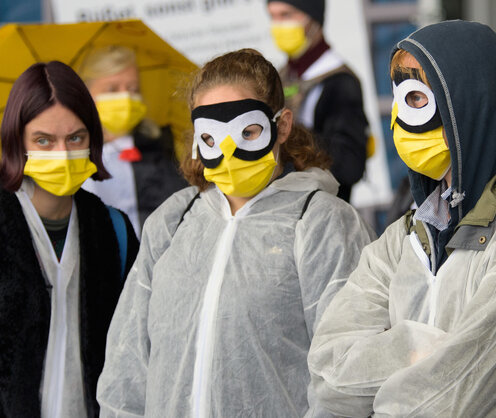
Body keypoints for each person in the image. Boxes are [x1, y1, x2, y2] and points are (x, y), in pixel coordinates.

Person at [308, 21, 496, 417]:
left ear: (469, 105)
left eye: (414, 100)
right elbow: (326, 379)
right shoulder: (404, 238)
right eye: (397, 100)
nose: (397, 120)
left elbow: (455, 402)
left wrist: (385, 360)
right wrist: (416, 346)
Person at [96, 49, 375, 417]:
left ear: (283, 126)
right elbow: (127, 364)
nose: (229, 152)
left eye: (248, 132)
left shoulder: (323, 224)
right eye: (210, 138)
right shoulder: (173, 221)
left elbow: (346, 377)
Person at [0, 61, 138, 417]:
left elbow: (133, 350)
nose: (62, 154)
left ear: (93, 136)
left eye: (75, 138)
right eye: (43, 140)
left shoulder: (114, 230)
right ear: (17, 140)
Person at [78, 45, 188, 234]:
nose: (125, 97)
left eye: (133, 88)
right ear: (85, 93)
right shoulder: (70, 151)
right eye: (112, 89)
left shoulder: (160, 145)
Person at [267, 0, 368, 202]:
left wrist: (290, 136)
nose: (278, 25)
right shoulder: (281, 76)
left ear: (313, 19)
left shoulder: (340, 82)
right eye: (273, 16)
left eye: (286, 15)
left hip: (325, 212)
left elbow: (349, 166)